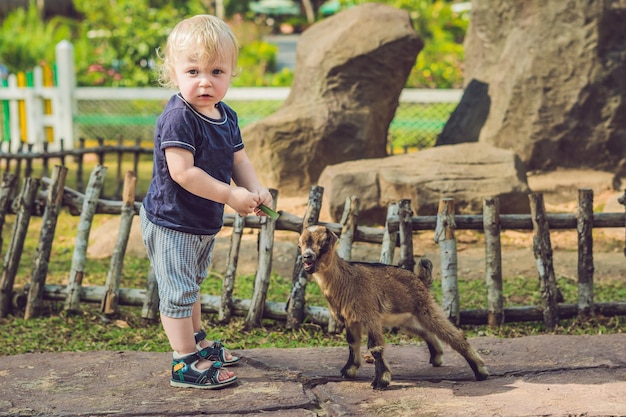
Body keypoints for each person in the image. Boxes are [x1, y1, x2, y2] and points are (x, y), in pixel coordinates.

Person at [140, 14, 273, 389]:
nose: (205, 81)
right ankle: (183, 362)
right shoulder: (179, 117)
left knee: (192, 285)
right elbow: (183, 173)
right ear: (173, 72)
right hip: (171, 221)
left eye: (216, 71)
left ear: (232, 73)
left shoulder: (226, 115)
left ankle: (196, 343)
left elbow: (239, 160)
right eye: (193, 70)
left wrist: (255, 188)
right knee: (179, 291)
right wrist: (231, 194)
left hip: (200, 220)